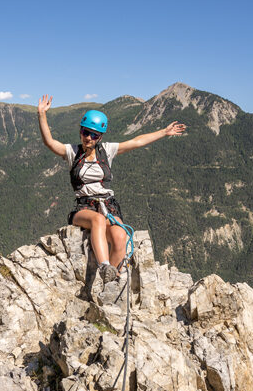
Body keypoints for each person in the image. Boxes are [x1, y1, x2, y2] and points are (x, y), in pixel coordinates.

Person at [37, 94, 186, 283]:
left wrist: (164, 132)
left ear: (100, 137)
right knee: (98, 220)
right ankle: (104, 266)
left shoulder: (107, 151)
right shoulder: (72, 152)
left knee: (120, 235)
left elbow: (137, 141)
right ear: (80, 131)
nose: (88, 138)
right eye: (85, 132)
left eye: (94, 135)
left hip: (108, 205)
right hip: (84, 208)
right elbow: (49, 142)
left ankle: (111, 278)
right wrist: (42, 114)